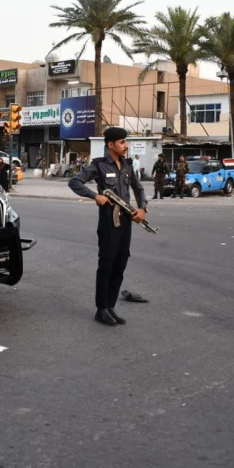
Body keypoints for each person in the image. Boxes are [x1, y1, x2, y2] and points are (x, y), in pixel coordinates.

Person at [69, 127, 147, 326]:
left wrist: (142, 208)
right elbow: (75, 182)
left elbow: (138, 188)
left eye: (125, 142)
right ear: (110, 144)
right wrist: (96, 196)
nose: (126, 146)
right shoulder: (99, 166)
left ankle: (111, 306)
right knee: (106, 265)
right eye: (122, 142)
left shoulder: (128, 165)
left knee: (120, 264)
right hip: (108, 222)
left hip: (126, 221)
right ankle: (101, 308)